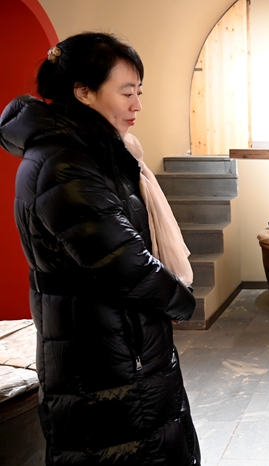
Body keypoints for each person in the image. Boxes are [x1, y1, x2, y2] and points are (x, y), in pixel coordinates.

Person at [0, 32, 200, 465]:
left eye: (139, 92)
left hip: (117, 339)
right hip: (100, 352)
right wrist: (182, 301)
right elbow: (124, 262)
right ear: (83, 92)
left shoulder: (91, 152)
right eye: (127, 93)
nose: (137, 105)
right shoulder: (64, 164)